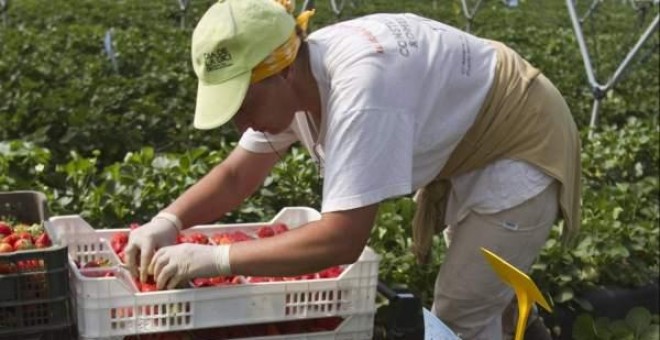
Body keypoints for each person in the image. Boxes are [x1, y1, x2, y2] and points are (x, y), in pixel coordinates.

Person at [123, 0, 581, 338]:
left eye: (243, 103)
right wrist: (168, 221)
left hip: (517, 141)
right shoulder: (298, 79)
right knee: (487, 293)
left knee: (460, 312)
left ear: (281, 70)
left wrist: (217, 258)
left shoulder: (362, 94)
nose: (241, 121)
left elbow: (342, 239)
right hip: (466, 136)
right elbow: (238, 175)